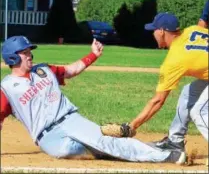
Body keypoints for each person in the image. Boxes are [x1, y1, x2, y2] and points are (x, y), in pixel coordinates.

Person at [0, 35, 186, 164]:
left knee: (106, 143)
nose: (30, 55)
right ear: (12, 57)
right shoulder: (7, 88)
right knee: (69, 150)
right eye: (24, 52)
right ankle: (120, 144)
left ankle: (167, 156)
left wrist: (93, 55)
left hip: (70, 120)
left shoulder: (43, 70)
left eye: (29, 51)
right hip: (47, 137)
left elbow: (70, 70)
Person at [129, 12, 208, 152]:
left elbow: (158, 101)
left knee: (199, 111)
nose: (153, 33)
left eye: (154, 30)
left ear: (161, 31)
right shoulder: (192, 30)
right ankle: (175, 141)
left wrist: (132, 126)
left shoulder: (174, 59)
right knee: (187, 93)